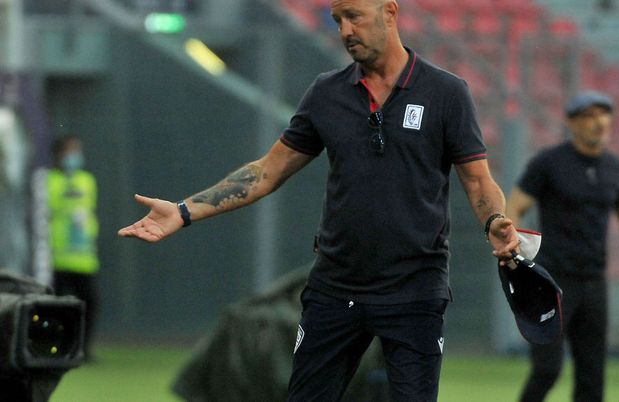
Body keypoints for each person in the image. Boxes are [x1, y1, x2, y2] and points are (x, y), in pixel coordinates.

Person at [119, 0, 519, 400]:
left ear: (390, 13)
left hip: (414, 288)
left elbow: (478, 181)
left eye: (354, 17)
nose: (345, 30)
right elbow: (267, 171)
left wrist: (495, 220)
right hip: (336, 286)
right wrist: (184, 211)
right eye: (337, 20)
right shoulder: (327, 93)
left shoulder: (446, 92)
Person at [506, 90, 619, 402]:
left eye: (602, 114)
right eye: (588, 116)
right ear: (572, 122)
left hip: (593, 283)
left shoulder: (613, 167)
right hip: (552, 282)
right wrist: (512, 250)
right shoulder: (549, 163)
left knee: (592, 376)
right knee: (547, 369)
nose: (597, 121)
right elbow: (515, 206)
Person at [48, 134, 100, 360]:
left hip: (83, 257)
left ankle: (83, 349)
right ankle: (55, 347)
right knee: (55, 306)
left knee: (89, 304)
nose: (74, 157)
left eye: (76, 151)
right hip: (56, 257)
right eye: (70, 151)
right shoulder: (47, 181)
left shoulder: (87, 180)